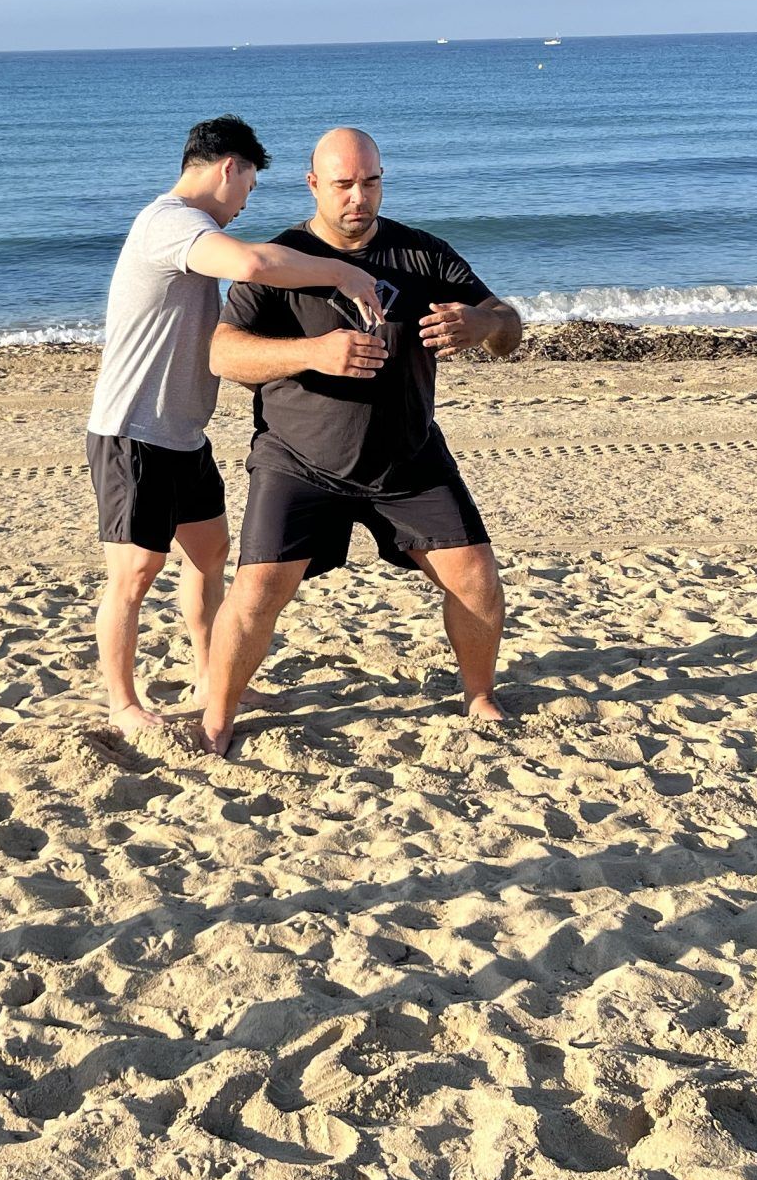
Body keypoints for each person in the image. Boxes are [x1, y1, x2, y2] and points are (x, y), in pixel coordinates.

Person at [198, 126, 522, 754]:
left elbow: (509, 329)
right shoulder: (278, 259)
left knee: (477, 578)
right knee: (258, 589)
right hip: (298, 461)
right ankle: (219, 712)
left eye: (370, 182)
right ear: (314, 183)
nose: (358, 197)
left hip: (408, 457)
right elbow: (222, 353)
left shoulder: (422, 254)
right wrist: (317, 352)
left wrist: (481, 323)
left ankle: (479, 694)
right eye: (343, 184)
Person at [85, 116, 382, 734]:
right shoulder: (170, 221)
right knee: (135, 573)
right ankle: (122, 705)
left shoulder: (186, 228)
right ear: (229, 169)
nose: (247, 202)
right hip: (131, 431)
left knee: (210, 555)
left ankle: (207, 676)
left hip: (183, 435)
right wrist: (341, 271)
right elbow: (248, 263)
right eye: (249, 186)